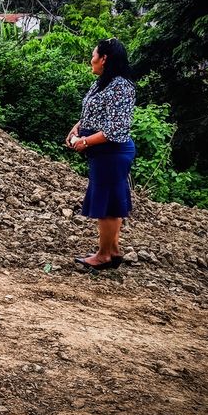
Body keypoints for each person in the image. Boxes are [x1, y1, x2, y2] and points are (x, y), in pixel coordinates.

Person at [66, 38, 136, 271]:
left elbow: (115, 130)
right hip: (103, 154)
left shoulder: (121, 87)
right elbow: (93, 113)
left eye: (94, 55)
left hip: (112, 154)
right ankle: (112, 251)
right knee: (111, 202)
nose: (91, 60)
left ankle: (103, 255)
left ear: (104, 59)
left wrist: (85, 141)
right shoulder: (103, 83)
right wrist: (77, 128)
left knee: (107, 206)